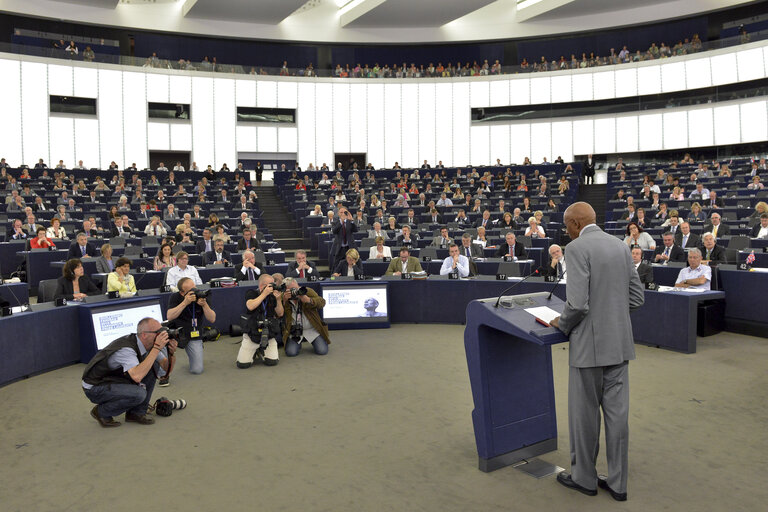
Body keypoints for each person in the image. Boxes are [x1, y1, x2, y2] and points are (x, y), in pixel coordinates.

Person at [550, 202, 644, 502]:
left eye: (566, 225)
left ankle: (584, 478)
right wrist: (611, 312)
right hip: (619, 345)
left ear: (576, 223)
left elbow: (577, 305)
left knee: (584, 416)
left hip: (588, 349)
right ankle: (618, 483)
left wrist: (561, 324)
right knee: (618, 418)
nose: (566, 231)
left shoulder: (576, 249)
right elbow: (637, 297)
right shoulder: (620, 246)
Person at [82, 317, 176, 427]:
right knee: (139, 394)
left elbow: (165, 369)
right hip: (95, 387)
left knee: (153, 363)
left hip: (115, 379)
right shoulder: (126, 349)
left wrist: (171, 354)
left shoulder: (148, 344)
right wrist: (156, 349)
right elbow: (137, 376)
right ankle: (101, 412)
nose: (162, 335)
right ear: (144, 335)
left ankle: (136, 413)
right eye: (158, 332)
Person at [165, 277, 217, 379]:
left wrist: (204, 305)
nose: (194, 291)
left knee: (197, 370)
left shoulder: (202, 296)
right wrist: (185, 303)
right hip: (177, 331)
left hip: (194, 333)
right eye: (190, 290)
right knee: (161, 343)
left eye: (195, 287)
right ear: (182, 293)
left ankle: (196, 347)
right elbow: (169, 316)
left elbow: (212, 319)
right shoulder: (175, 297)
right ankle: (164, 374)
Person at [236, 274, 284, 368]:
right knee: (243, 365)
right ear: (262, 285)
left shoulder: (272, 296)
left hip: (269, 333)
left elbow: (280, 313)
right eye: (271, 285)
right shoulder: (251, 293)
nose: (273, 287)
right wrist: (264, 294)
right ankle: (254, 351)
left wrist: (278, 300)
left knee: (272, 362)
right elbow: (250, 306)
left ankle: (261, 350)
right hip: (252, 333)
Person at [280, 277, 331, 357]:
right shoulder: (283, 297)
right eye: (291, 290)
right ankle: (297, 343)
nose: (295, 292)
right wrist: (284, 301)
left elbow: (322, 302)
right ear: (285, 290)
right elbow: (280, 314)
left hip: (312, 328)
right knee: (291, 353)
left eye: (296, 288)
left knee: (322, 351)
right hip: (294, 330)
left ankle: (318, 340)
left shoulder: (306, 291)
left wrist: (309, 300)